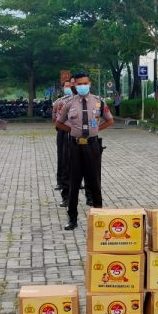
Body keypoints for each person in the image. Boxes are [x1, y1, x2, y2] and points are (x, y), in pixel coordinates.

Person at [58, 71, 114, 230]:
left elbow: (110, 120)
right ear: (75, 85)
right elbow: (59, 123)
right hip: (75, 146)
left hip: (92, 145)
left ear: (89, 84)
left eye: (85, 83)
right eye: (79, 84)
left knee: (94, 181)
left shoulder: (99, 102)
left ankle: (99, 216)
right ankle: (72, 218)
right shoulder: (69, 103)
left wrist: (96, 131)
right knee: (74, 182)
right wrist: (73, 130)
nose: (82, 86)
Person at [53, 79, 74, 205]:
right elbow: (57, 120)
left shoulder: (90, 101)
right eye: (68, 85)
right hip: (66, 133)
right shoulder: (61, 102)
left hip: (84, 136)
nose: (70, 87)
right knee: (65, 162)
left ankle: (90, 196)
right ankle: (66, 193)